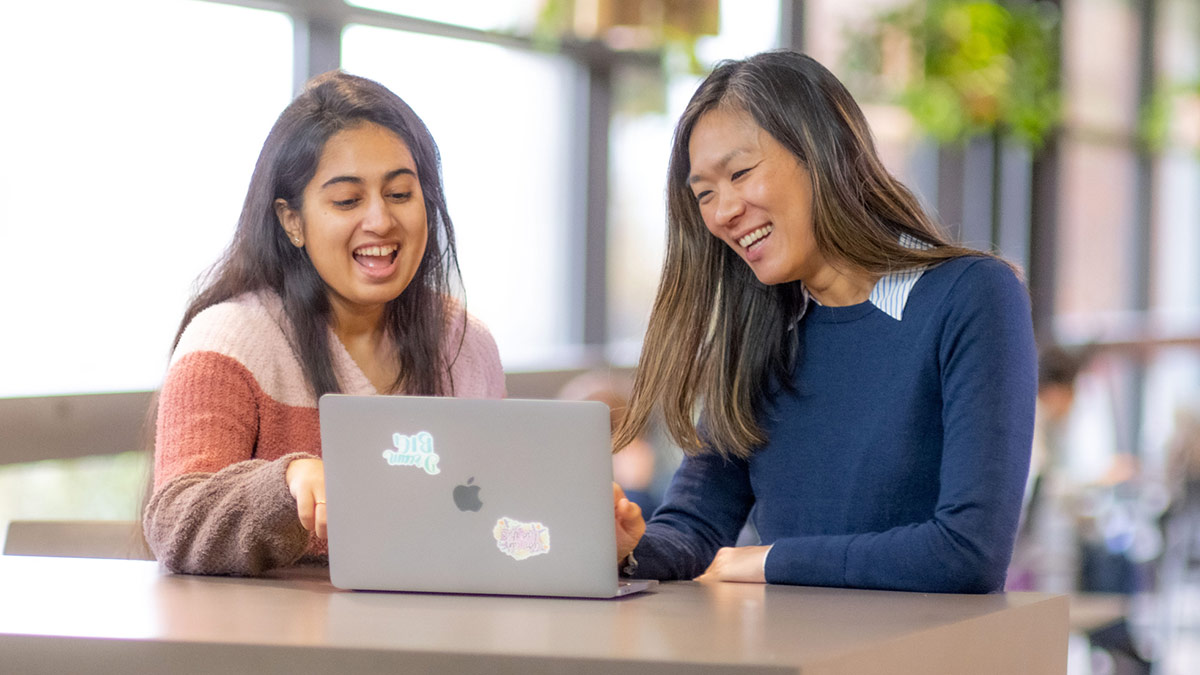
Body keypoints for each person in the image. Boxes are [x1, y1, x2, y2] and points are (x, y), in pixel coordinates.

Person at [610, 50, 1037, 593]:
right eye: (704, 194)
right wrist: (626, 551)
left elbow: (966, 552)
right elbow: (692, 531)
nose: (722, 212)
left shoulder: (972, 295)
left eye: (740, 173)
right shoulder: (760, 336)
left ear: (824, 151)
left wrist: (764, 561)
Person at [143, 71, 506, 576]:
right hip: (281, 648)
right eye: (347, 201)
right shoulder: (228, 340)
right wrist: (287, 483)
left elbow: (489, 525)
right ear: (292, 220)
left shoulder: (466, 344)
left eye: (401, 194)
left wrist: (585, 540)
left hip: (438, 640)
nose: (380, 220)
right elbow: (175, 523)